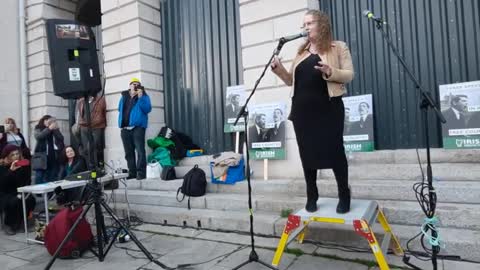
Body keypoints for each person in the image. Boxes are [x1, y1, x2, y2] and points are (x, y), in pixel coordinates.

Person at [270, 10, 354, 213]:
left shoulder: (338, 47)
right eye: (303, 24)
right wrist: (278, 69)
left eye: (309, 23)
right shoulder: (301, 52)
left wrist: (329, 71)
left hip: (329, 108)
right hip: (302, 112)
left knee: (335, 151)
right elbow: (291, 80)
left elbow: (349, 75)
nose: (305, 27)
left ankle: (344, 193)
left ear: (321, 24)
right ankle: (312, 194)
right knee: (306, 153)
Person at [118, 78, 152, 180]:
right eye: (133, 84)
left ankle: (141, 174)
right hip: (125, 128)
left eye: (137, 85)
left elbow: (147, 109)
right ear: (130, 86)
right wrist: (131, 95)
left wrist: (140, 98)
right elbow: (120, 108)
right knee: (128, 152)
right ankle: (132, 173)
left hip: (138, 128)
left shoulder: (144, 96)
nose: (135, 86)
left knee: (140, 151)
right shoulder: (124, 96)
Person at [0, 145, 36, 235]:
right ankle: (9, 224)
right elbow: (2, 185)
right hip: (5, 193)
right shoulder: (2, 167)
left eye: (17, 154)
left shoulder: (23, 165)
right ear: (7, 156)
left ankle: (22, 222)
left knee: (30, 199)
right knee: (14, 201)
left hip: (20, 190)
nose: (16, 156)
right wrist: (11, 171)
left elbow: (27, 181)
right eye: (12, 155)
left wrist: (25, 169)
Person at [77, 94, 106, 167]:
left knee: (93, 147)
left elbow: (100, 115)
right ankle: (90, 167)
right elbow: (80, 114)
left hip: (96, 126)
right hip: (84, 127)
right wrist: (81, 123)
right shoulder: (81, 101)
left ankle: (97, 167)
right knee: (86, 149)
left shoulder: (99, 100)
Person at [33, 115, 65, 184]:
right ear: (44, 121)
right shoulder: (38, 128)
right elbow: (39, 136)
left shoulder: (54, 130)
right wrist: (49, 128)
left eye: (52, 122)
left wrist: (56, 129)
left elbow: (61, 138)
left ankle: (50, 194)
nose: (50, 123)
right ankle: (38, 193)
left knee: (51, 177)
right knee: (39, 176)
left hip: (52, 156)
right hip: (41, 157)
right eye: (49, 121)